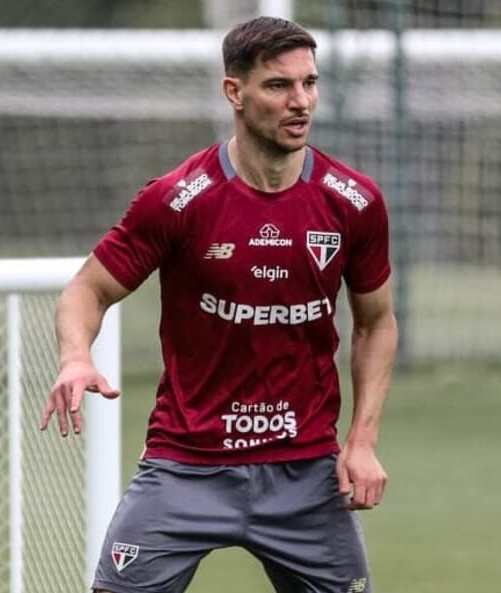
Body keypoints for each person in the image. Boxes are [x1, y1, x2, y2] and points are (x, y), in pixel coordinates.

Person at [40, 15, 398, 593]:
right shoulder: (177, 201)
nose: (300, 101)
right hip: (186, 465)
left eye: (310, 83)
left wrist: (362, 441)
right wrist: (76, 356)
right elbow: (88, 288)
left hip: (306, 473)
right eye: (279, 86)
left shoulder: (353, 202)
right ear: (234, 91)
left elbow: (375, 324)